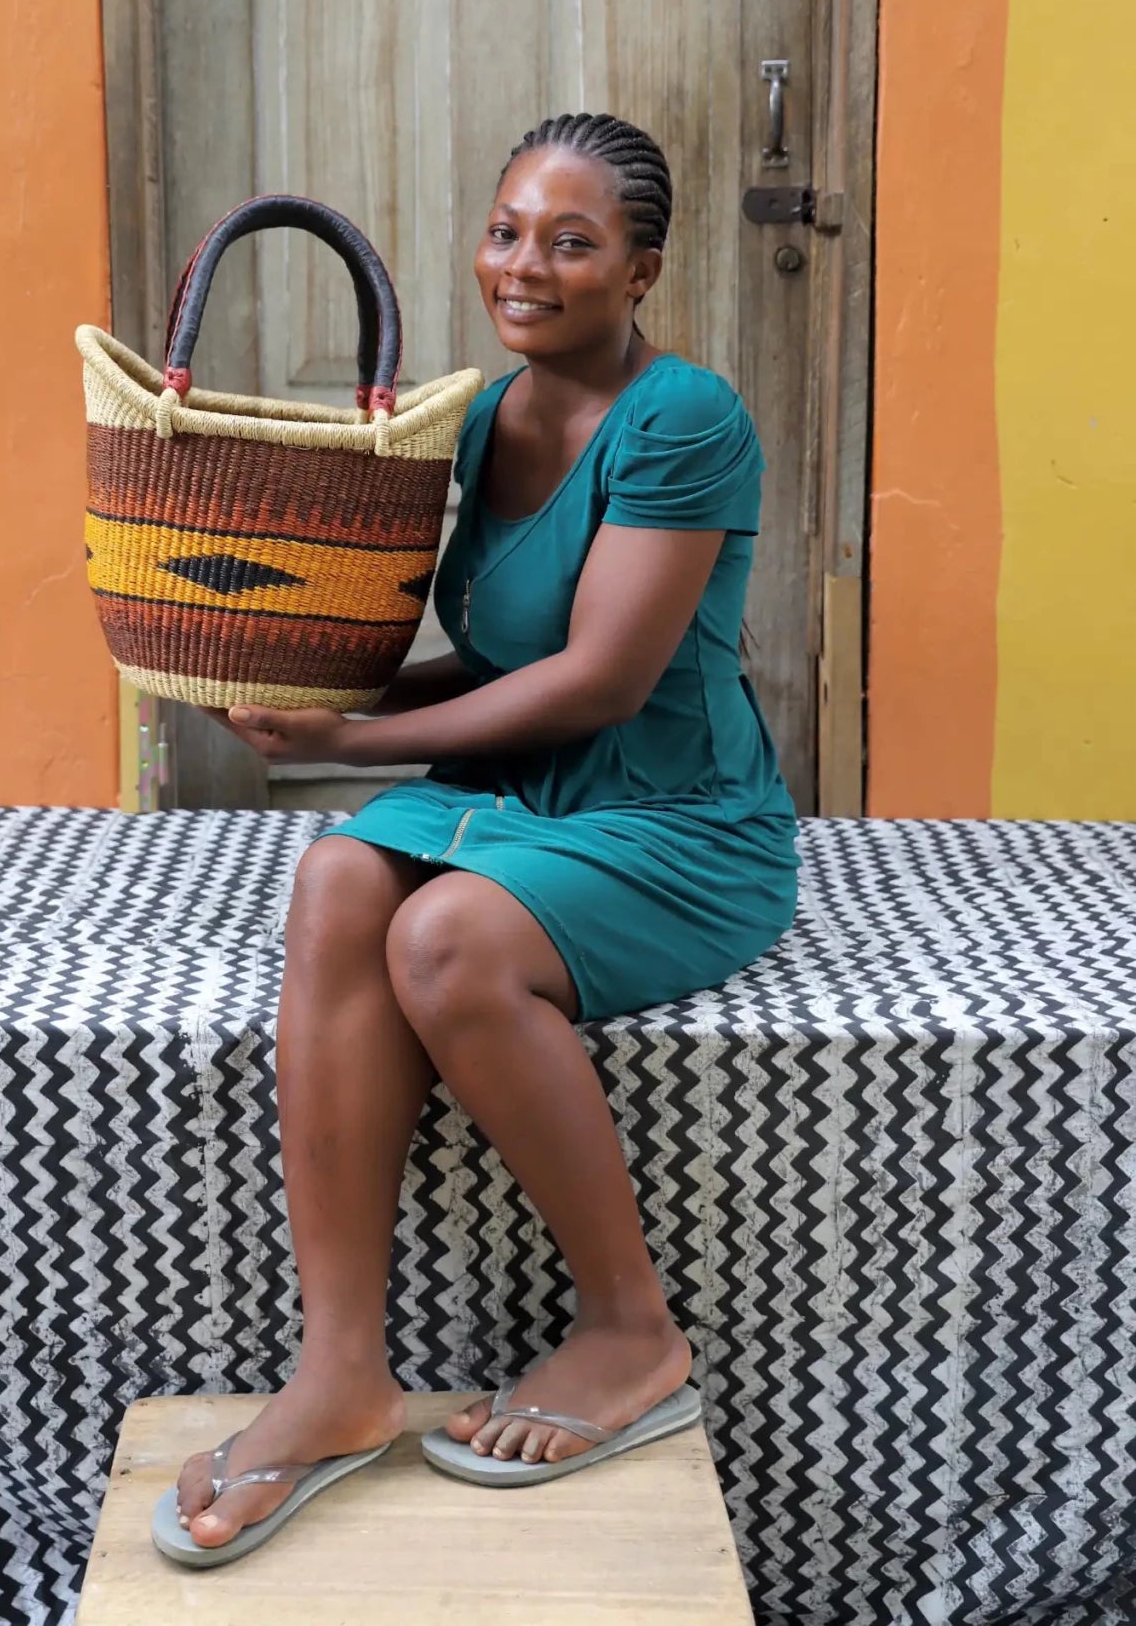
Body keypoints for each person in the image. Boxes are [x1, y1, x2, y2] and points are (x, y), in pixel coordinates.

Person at [157, 111, 799, 1566]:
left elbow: (601, 679)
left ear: (641, 270)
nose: (524, 266)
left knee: (444, 939)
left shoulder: (684, 418)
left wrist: (347, 746)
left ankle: (631, 1332)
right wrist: (338, 691)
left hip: (672, 818)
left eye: (572, 242)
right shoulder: (477, 418)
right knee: (337, 882)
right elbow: (502, 658)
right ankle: (339, 1374)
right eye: (507, 230)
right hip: (513, 791)